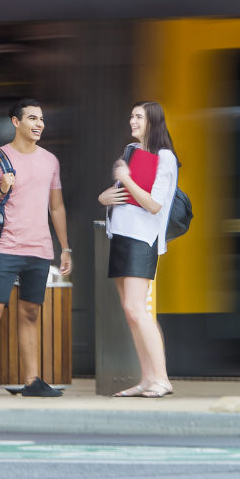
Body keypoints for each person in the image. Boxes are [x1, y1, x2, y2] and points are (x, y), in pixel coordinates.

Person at [0, 98, 72, 398]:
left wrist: (66, 248)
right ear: (15, 122)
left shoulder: (50, 161)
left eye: (42, 120)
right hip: (6, 248)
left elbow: (56, 207)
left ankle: (32, 380)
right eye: (32, 118)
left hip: (40, 249)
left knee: (30, 314)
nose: (39, 124)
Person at [98, 101, 179, 398]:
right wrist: (105, 197)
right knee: (130, 312)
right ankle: (147, 379)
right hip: (120, 235)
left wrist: (126, 178)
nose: (131, 120)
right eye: (131, 115)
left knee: (138, 309)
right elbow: (117, 195)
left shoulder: (164, 157)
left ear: (153, 121)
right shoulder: (131, 153)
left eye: (138, 117)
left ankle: (162, 379)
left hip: (141, 238)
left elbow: (154, 204)